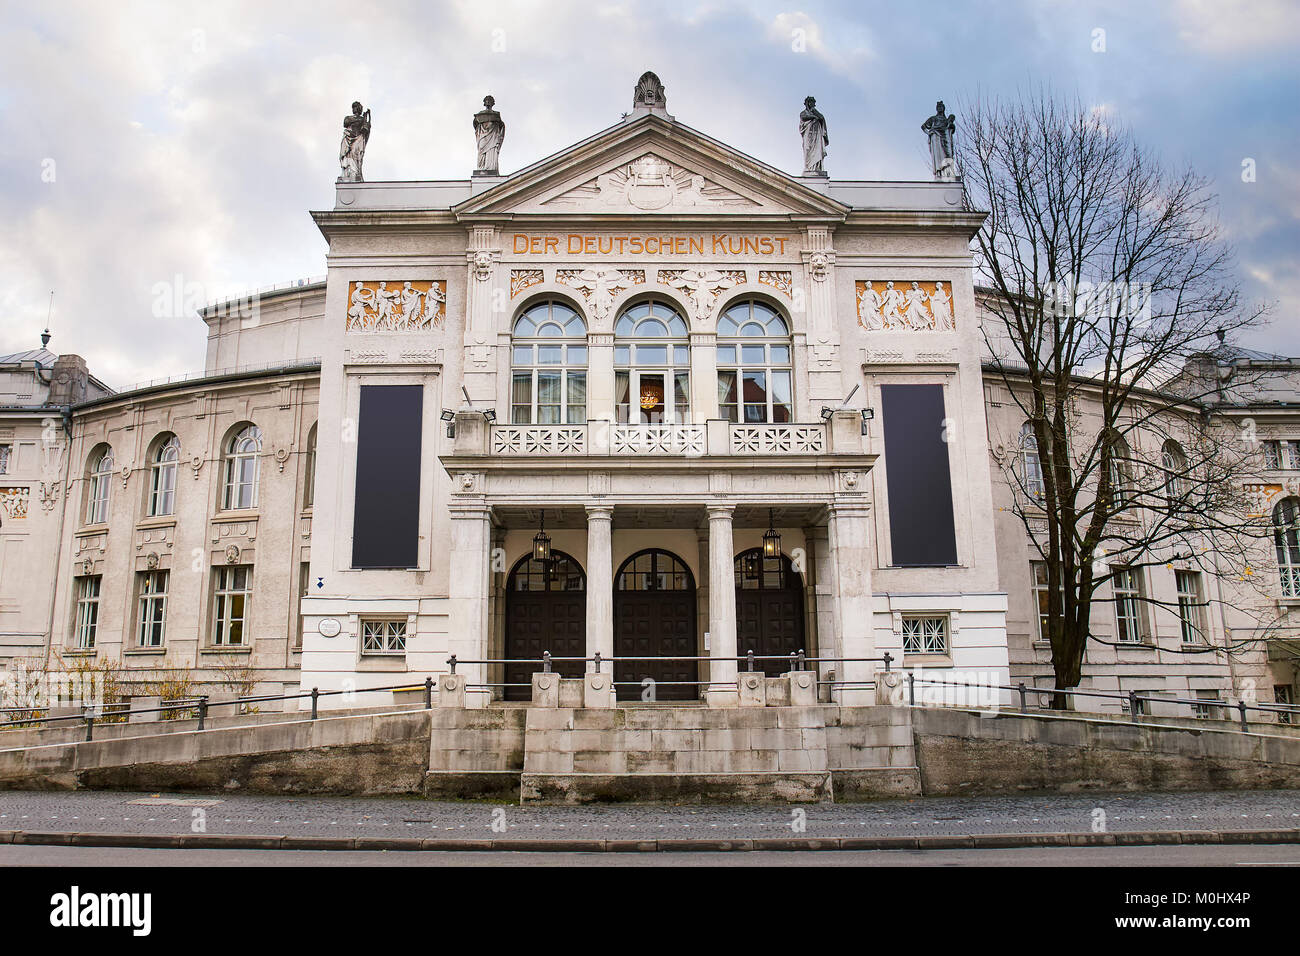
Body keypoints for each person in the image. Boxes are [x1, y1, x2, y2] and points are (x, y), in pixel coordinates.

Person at [338, 101, 371, 183]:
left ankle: (355, 172)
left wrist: (367, 118)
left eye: (356, 107)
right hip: (348, 137)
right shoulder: (349, 118)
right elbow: (345, 123)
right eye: (353, 107)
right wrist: (359, 120)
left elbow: (366, 129)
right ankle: (346, 172)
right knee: (346, 154)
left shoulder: (362, 119)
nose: (354, 109)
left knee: (355, 154)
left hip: (357, 139)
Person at [799, 96, 828, 174]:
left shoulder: (815, 112)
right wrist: (814, 116)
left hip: (817, 135)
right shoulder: (803, 113)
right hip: (808, 135)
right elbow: (804, 117)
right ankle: (809, 168)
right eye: (811, 103)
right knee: (808, 149)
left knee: (817, 150)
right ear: (807, 103)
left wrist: (814, 112)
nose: (813, 105)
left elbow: (822, 118)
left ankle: (816, 167)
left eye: (814, 103)